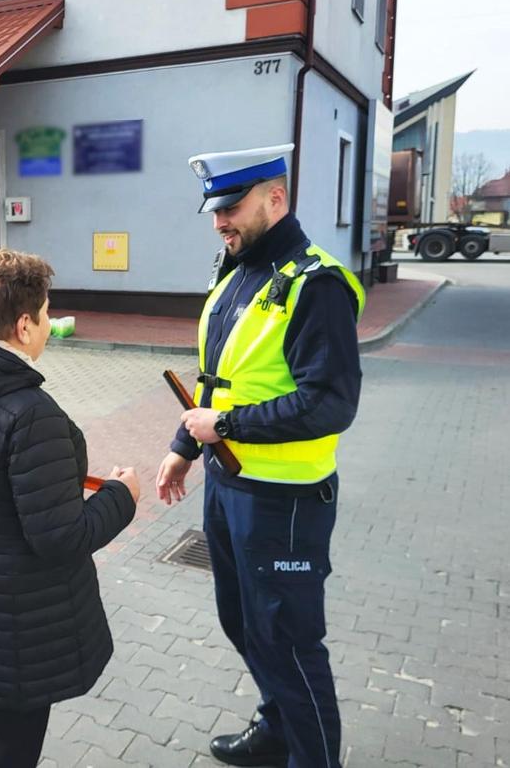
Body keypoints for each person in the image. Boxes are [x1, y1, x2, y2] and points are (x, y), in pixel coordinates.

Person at [156, 144, 364, 768]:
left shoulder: (316, 284)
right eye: (214, 210)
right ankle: (277, 730)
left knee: (291, 643)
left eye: (232, 207)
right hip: (229, 489)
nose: (220, 221)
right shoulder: (235, 271)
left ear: (277, 199)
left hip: (285, 502)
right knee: (244, 624)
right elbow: (220, 374)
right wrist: (185, 447)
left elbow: (330, 404)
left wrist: (224, 425)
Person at [0, 248, 140, 768]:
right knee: (7, 744)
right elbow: (60, 538)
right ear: (24, 325)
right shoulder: (31, 414)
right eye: (46, 312)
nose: (49, 321)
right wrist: (123, 496)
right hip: (13, 625)